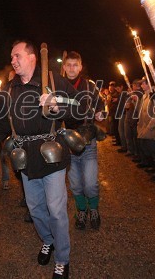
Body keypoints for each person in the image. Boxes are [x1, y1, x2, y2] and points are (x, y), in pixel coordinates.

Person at [0, 40, 81, 279]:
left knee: (56, 210)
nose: (12, 60)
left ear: (32, 57)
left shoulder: (53, 81)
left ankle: (62, 259)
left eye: (17, 55)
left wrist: (57, 106)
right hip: (25, 158)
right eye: (11, 57)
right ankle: (48, 240)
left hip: (51, 154)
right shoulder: (9, 90)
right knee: (35, 209)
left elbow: (80, 105)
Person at [62, 51, 105, 230]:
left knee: (90, 183)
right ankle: (81, 210)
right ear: (64, 67)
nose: (72, 68)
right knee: (76, 184)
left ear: (80, 67)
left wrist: (101, 114)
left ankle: (93, 209)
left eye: (75, 65)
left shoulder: (90, 86)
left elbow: (101, 106)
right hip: (67, 144)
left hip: (88, 143)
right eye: (68, 65)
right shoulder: (58, 86)